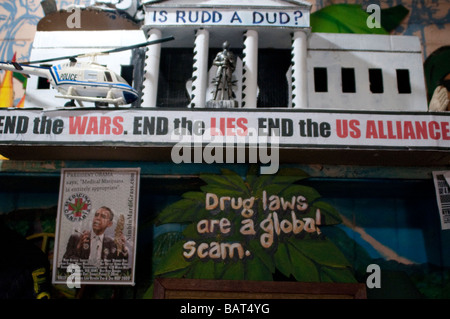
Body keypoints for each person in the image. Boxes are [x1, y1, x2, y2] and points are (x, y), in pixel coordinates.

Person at [63, 206, 128, 265]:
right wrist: (77, 249)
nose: (98, 218)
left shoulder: (112, 243)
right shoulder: (76, 238)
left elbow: (121, 265)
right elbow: (64, 262)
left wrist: (123, 248)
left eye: (103, 216)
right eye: (96, 215)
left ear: (109, 224)